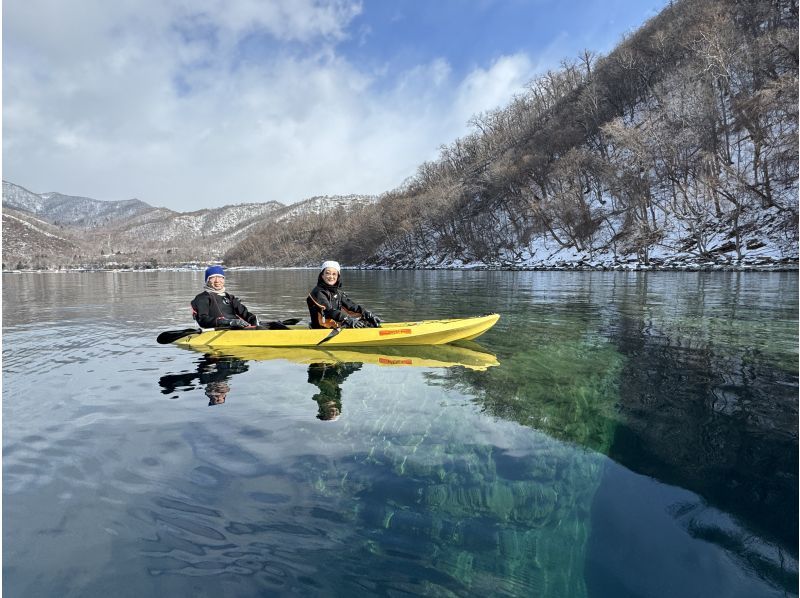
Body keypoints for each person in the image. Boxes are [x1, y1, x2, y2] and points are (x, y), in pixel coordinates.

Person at [306, 260, 381, 329]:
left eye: (334, 274)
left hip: (336, 325)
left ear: (338, 277)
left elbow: (351, 307)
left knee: (370, 322)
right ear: (322, 275)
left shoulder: (338, 293)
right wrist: (347, 319)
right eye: (327, 273)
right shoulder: (317, 292)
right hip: (321, 329)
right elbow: (328, 311)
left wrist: (366, 313)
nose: (331, 277)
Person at [191, 265, 259, 329]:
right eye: (213, 277)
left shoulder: (230, 297)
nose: (217, 281)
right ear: (207, 281)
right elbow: (203, 320)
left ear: (223, 280)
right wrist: (227, 322)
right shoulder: (202, 298)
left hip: (236, 328)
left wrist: (253, 319)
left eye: (220, 277)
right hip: (216, 330)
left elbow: (244, 313)